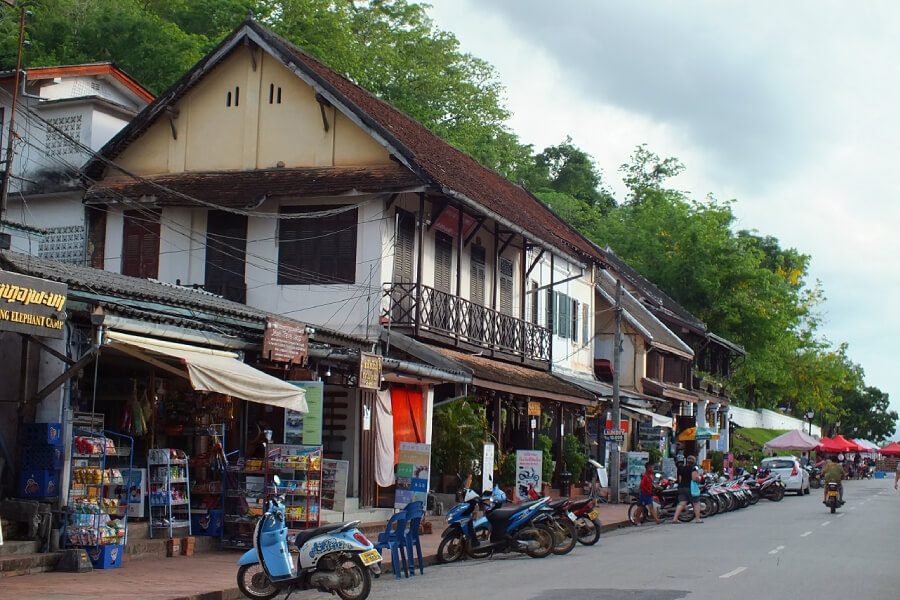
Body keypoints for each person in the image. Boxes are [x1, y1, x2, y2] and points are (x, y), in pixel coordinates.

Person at [672, 455, 703, 524]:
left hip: (681, 488)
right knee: (696, 503)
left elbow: (680, 479)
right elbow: (694, 478)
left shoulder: (682, 468)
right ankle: (698, 519)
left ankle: (675, 518)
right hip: (690, 488)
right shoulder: (693, 468)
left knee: (682, 503)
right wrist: (699, 478)